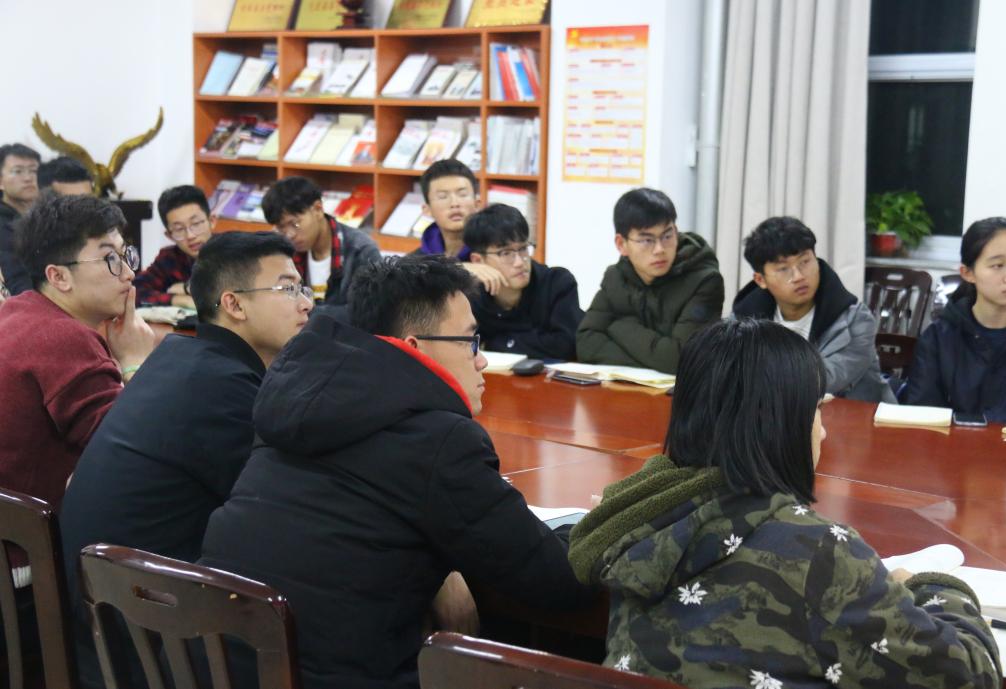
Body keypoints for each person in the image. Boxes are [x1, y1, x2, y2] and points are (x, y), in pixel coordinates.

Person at [200, 255, 595, 689]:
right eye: (470, 341)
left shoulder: (294, 399)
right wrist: (606, 525)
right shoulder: (440, 440)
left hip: (215, 667)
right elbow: (553, 579)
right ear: (413, 346)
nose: (481, 360)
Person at [568, 318, 1001, 688]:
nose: (823, 432)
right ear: (780, 422)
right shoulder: (818, 554)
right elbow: (971, 676)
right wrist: (933, 586)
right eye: (815, 410)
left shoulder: (637, 517)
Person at [60, 231, 312, 689]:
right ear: (234, 304)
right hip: (143, 641)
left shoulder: (183, 356)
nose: (306, 303)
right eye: (287, 288)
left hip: (100, 611)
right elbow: (282, 512)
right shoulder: (223, 388)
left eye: (302, 287)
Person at [0, 192, 153, 590]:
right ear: (59, 277)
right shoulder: (63, 338)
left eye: (126, 255)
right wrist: (134, 362)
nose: (128, 273)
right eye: (109, 259)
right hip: (21, 566)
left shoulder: (17, 310)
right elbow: (133, 456)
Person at [732, 216, 894, 402]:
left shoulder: (855, 319)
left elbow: (827, 380)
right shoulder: (741, 322)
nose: (798, 276)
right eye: (783, 269)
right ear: (761, 280)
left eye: (805, 262)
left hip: (857, 417)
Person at [576, 187, 724, 374]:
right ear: (621, 244)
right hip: (627, 389)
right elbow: (586, 344)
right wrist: (654, 360)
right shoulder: (616, 278)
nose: (660, 249)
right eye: (647, 240)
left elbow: (681, 360)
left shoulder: (704, 281)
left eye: (667, 236)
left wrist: (619, 326)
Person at [902, 217, 1006, 424]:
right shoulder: (939, 339)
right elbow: (922, 417)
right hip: (955, 444)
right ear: (968, 273)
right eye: (998, 265)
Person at [464, 203, 583, 360]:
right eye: (506, 253)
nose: (519, 262)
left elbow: (565, 345)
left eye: (523, 249)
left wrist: (495, 343)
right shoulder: (470, 294)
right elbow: (462, 347)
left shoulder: (557, 283)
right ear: (478, 260)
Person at [261, 176, 380, 306]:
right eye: (281, 228)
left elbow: (367, 310)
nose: (290, 235)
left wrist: (313, 312)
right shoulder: (285, 252)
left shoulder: (361, 251)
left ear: (318, 209)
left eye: (295, 224)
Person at [413, 158, 508, 297]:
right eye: (443, 196)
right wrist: (458, 269)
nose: (454, 203)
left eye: (462, 194)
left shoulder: (496, 253)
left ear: (477, 203)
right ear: (427, 210)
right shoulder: (415, 262)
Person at [133, 184, 214, 307]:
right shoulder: (169, 259)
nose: (190, 235)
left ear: (212, 221)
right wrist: (178, 299)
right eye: (179, 229)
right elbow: (135, 292)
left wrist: (186, 288)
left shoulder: (234, 252)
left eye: (196, 223)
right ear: (169, 235)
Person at [0, 143, 41, 296]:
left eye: (33, 171)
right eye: (18, 171)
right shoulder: (3, 226)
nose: (28, 178)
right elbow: (16, 280)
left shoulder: (44, 216)